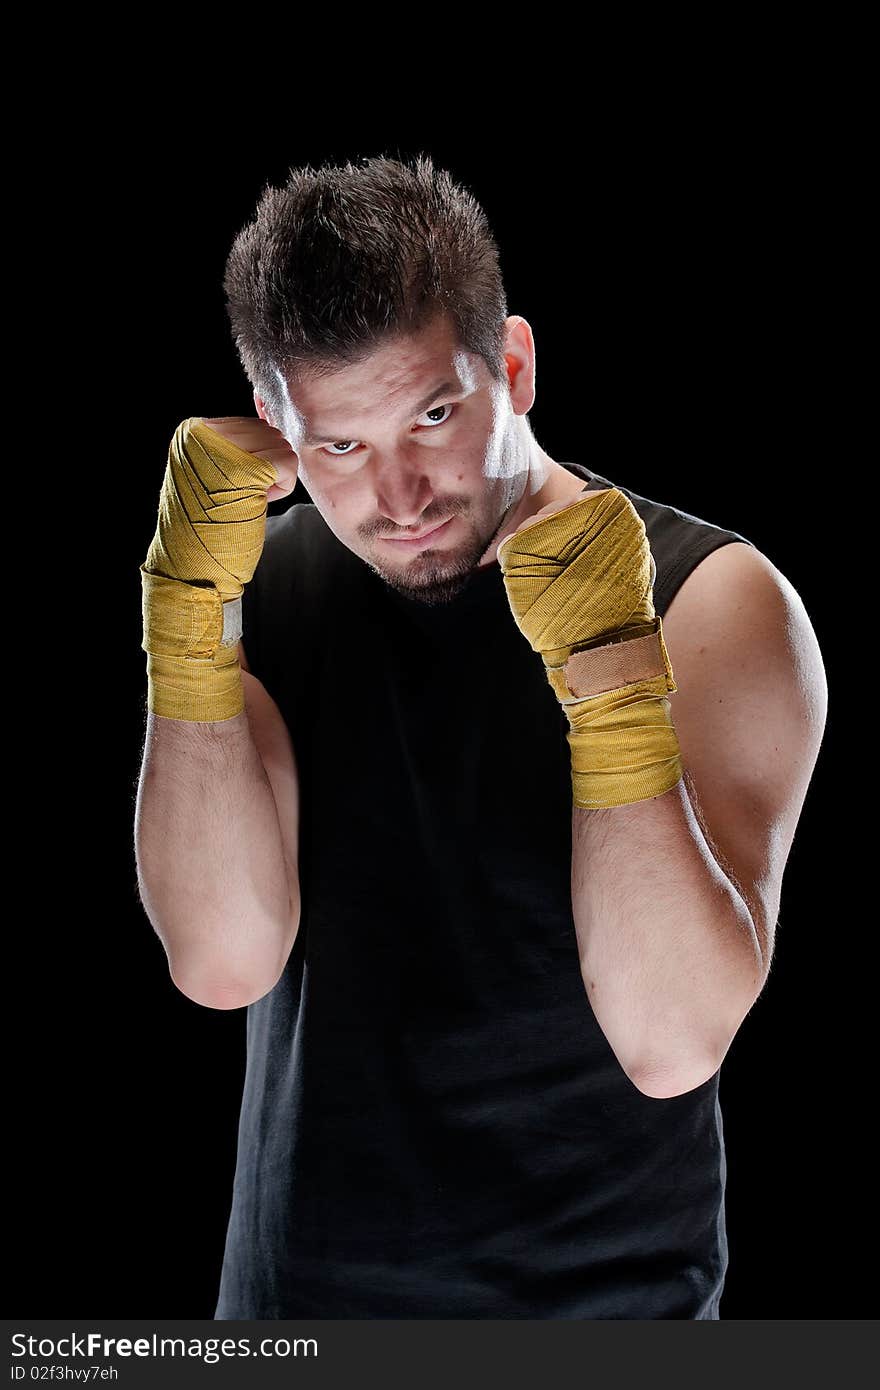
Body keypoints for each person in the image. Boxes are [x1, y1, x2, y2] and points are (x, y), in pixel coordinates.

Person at [134, 153, 828, 1319]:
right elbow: (221, 962)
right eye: (337, 447)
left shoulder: (708, 599)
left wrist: (611, 676)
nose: (398, 495)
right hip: (296, 1316)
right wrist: (186, 634)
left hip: (607, 1314)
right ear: (272, 427)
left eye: (434, 414)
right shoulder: (256, 588)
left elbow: (668, 1039)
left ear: (512, 363)